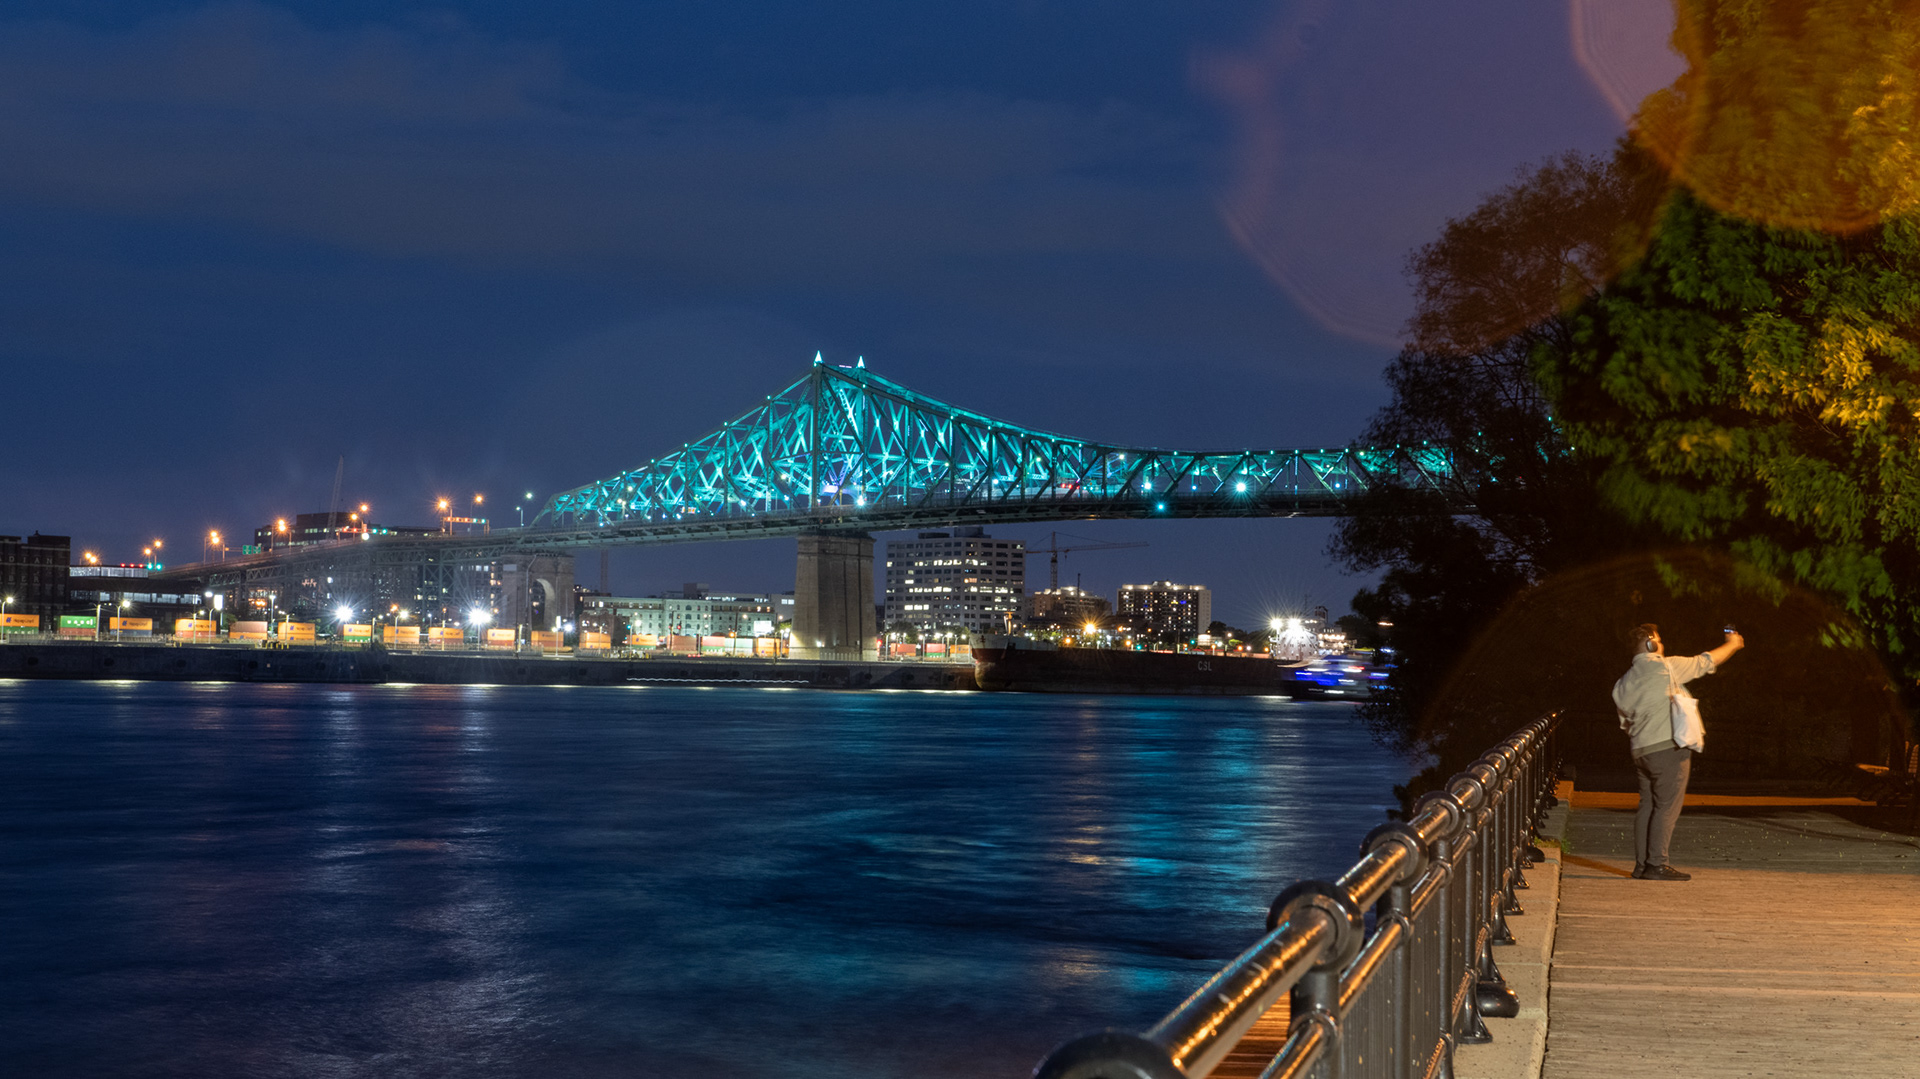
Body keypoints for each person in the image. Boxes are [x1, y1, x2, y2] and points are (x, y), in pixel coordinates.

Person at [1611, 623, 1744, 880]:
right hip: (1668, 748)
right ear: (1651, 644)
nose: (1662, 644)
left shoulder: (1623, 682)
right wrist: (1733, 644)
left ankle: (1642, 865)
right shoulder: (1665, 666)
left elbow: (1625, 721)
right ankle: (1657, 864)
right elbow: (1704, 662)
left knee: (1647, 806)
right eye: (1659, 640)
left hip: (1640, 750)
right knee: (1667, 806)